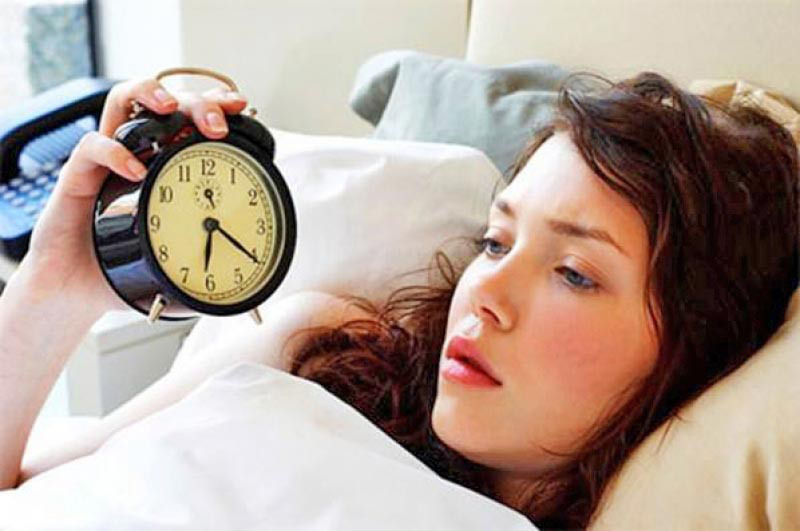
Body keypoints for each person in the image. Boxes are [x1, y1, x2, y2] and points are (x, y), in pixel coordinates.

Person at [1, 72, 797, 529]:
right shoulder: (321, 349)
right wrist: (54, 287)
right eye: (496, 242)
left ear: (696, 345)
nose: (486, 295)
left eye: (574, 273)